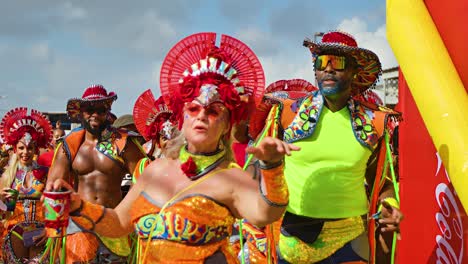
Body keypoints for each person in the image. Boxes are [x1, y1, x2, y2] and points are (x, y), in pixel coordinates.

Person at [47, 32, 299, 263]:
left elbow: (267, 214)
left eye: (213, 111)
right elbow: (120, 223)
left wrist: (272, 167)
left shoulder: (231, 177)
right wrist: (77, 205)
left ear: (226, 125)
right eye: (193, 108)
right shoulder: (156, 170)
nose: (201, 116)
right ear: (182, 116)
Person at [248, 31, 403, 263]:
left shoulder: (375, 123)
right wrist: (266, 165)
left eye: (337, 62)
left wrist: (389, 204)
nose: (328, 69)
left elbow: (382, 183)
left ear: (353, 71)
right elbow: (255, 176)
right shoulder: (287, 114)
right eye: (321, 62)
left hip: (350, 238)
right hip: (295, 240)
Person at [46, 84, 146, 263]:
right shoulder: (69, 146)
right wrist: (52, 231)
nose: (95, 114)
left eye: (101, 109)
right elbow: (53, 187)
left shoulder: (123, 143)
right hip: (79, 228)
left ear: (108, 111)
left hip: (113, 226)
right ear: (81, 112)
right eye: (89, 109)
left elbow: (146, 180)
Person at [0, 107, 52, 263]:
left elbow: (55, 204)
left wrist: (49, 230)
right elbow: (3, 212)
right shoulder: (7, 176)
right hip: (14, 234)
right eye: (21, 148)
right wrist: (1, 199)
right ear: (15, 149)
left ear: (35, 149)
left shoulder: (46, 173)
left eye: (30, 148)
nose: (25, 152)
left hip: (40, 234)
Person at [131, 90, 179, 184]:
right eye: (164, 138)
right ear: (158, 142)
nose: (170, 142)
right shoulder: (145, 166)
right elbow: (133, 197)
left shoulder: (191, 164)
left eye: (174, 137)